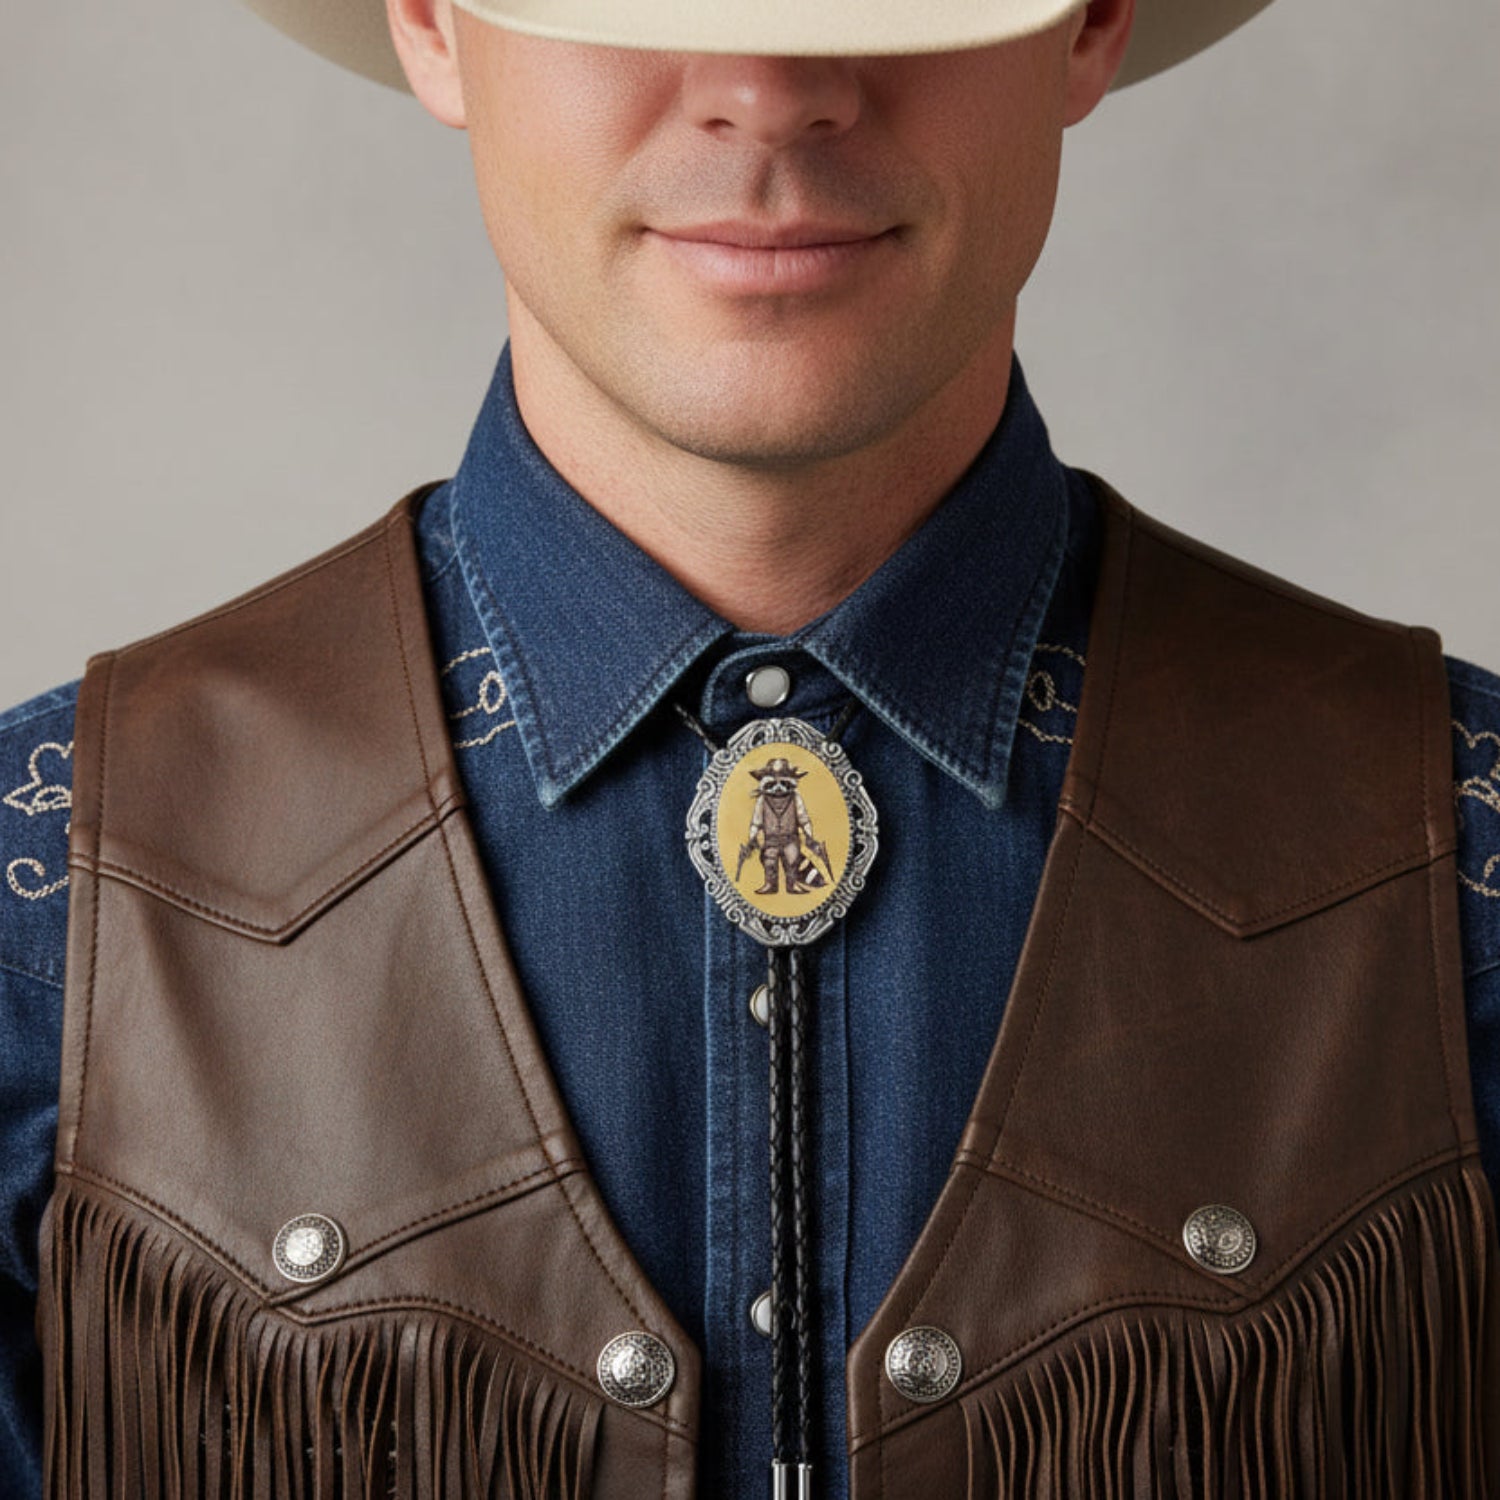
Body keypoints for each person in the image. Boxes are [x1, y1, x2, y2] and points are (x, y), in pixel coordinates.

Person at [2, 0, 1498, 1495]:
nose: (771, 94)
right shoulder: (42, 915)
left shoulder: (1463, 869)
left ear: (1091, 23)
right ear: (432, 22)